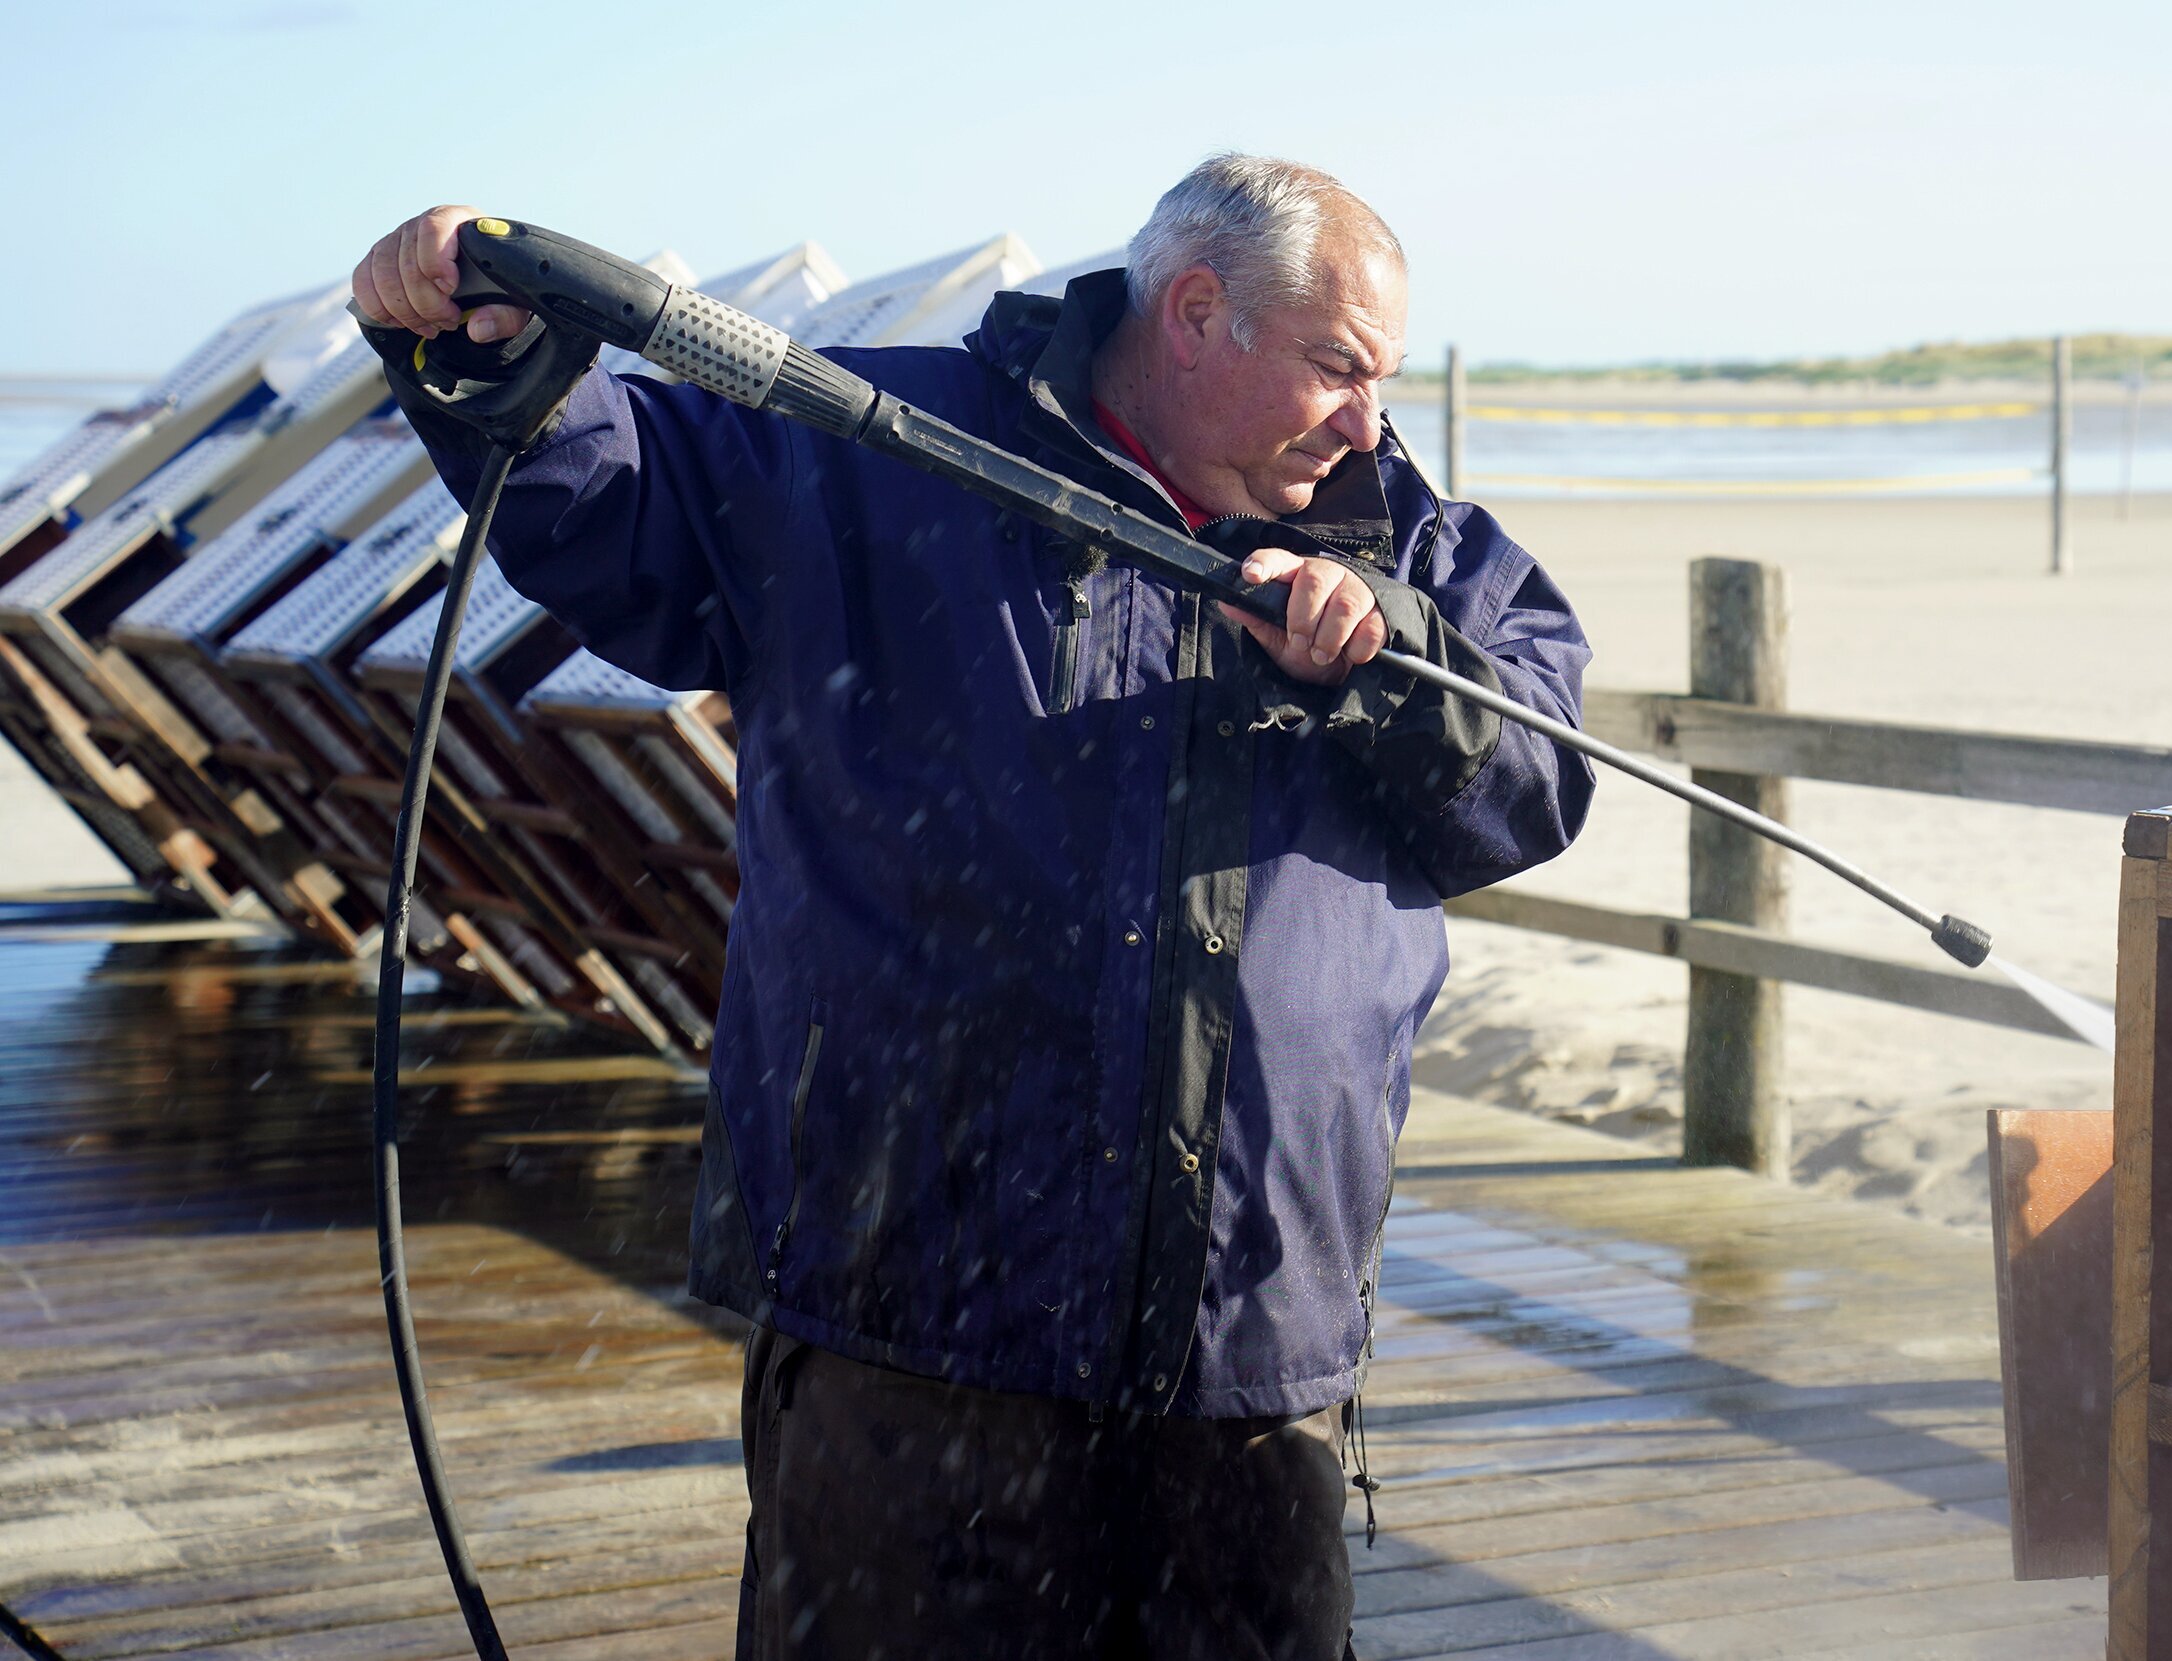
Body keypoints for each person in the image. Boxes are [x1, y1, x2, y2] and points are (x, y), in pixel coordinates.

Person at [353, 154, 1595, 1660]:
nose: (1364, 422)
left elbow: (1534, 774)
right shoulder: (868, 441)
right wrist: (481, 357)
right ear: (1197, 313)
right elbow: (604, 492)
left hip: (1247, 1352)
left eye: (1379, 382)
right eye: (1338, 369)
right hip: (907, 1319)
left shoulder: (1418, 548)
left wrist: (1384, 658)